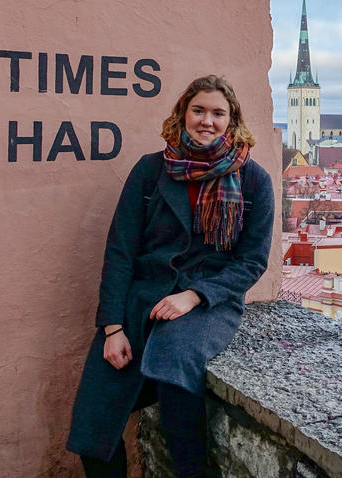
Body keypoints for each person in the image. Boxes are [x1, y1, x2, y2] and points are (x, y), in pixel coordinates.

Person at [67, 75, 274, 478]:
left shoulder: (253, 180)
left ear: (232, 121)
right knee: (93, 426)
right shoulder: (151, 170)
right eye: (199, 110)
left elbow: (251, 262)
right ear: (183, 114)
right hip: (141, 300)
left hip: (209, 303)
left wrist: (195, 295)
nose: (207, 121)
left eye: (218, 113)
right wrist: (112, 327)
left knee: (175, 369)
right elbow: (121, 251)